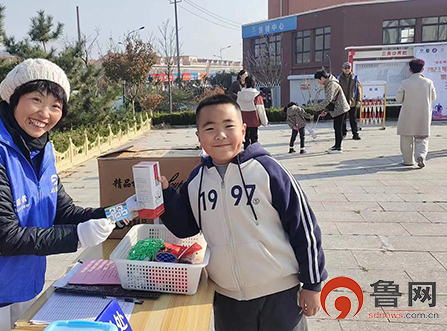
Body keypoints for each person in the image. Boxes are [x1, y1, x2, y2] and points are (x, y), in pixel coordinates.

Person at [0, 59, 131, 331]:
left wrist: (125, 210)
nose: (45, 113)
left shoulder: (41, 148)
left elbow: (63, 212)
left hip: (24, 284)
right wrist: (78, 236)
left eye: (55, 106)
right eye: (36, 99)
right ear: (14, 99)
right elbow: (3, 235)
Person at [149, 94, 327, 331]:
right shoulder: (196, 181)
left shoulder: (268, 171)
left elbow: (303, 227)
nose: (220, 135)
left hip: (279, 292)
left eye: (228, 126)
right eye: (210, 128)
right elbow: (186, 228)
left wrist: (312, 284)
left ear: (243, 130)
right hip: (227, 297)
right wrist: (166, 196)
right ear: (199, 136)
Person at [396, 58, 437, 168]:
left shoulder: (405, 83)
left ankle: (408, 160)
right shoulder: (429, 83)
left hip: (407, 114)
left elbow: (399, 99)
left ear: (410, 70)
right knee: (422, 137)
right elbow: (433, 97)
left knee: (406, 138)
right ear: (422, 69)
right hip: (423, 114)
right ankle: (421, 156)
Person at [315, 69, 350, 154]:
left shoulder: (331, 84)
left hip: (340, 108)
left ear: (322, 78)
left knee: (338, 127)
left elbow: (328, 99)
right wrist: (325, 110)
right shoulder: (329, 83)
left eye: (318, 80)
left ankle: (338, 147)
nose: (319, 82)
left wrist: (318, 108)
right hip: (338, 108)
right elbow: (331, 100)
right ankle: (336, 145)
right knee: (337, 127)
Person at [236, 75, 266, 148]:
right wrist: (264, 121)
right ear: (254, 83)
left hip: (243, 119)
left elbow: (237, 108)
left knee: (245, 139)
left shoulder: (239, 95)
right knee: (254, 139)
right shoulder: (257, 95)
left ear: (245, 83)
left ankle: (247, 153)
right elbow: (260, 109)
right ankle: (254, 153)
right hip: (254, 119)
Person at [337, 62, 362, 140]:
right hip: (342, 101)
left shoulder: (355, 77)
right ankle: (343, 132)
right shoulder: (339, 78)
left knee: (353, 118)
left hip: (352, 101)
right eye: (345, 68)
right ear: (342, 69)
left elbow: (359, 89)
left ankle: (355, 133)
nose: (347, 70)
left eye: (348, 68)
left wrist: (359, 100)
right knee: (343, 118)